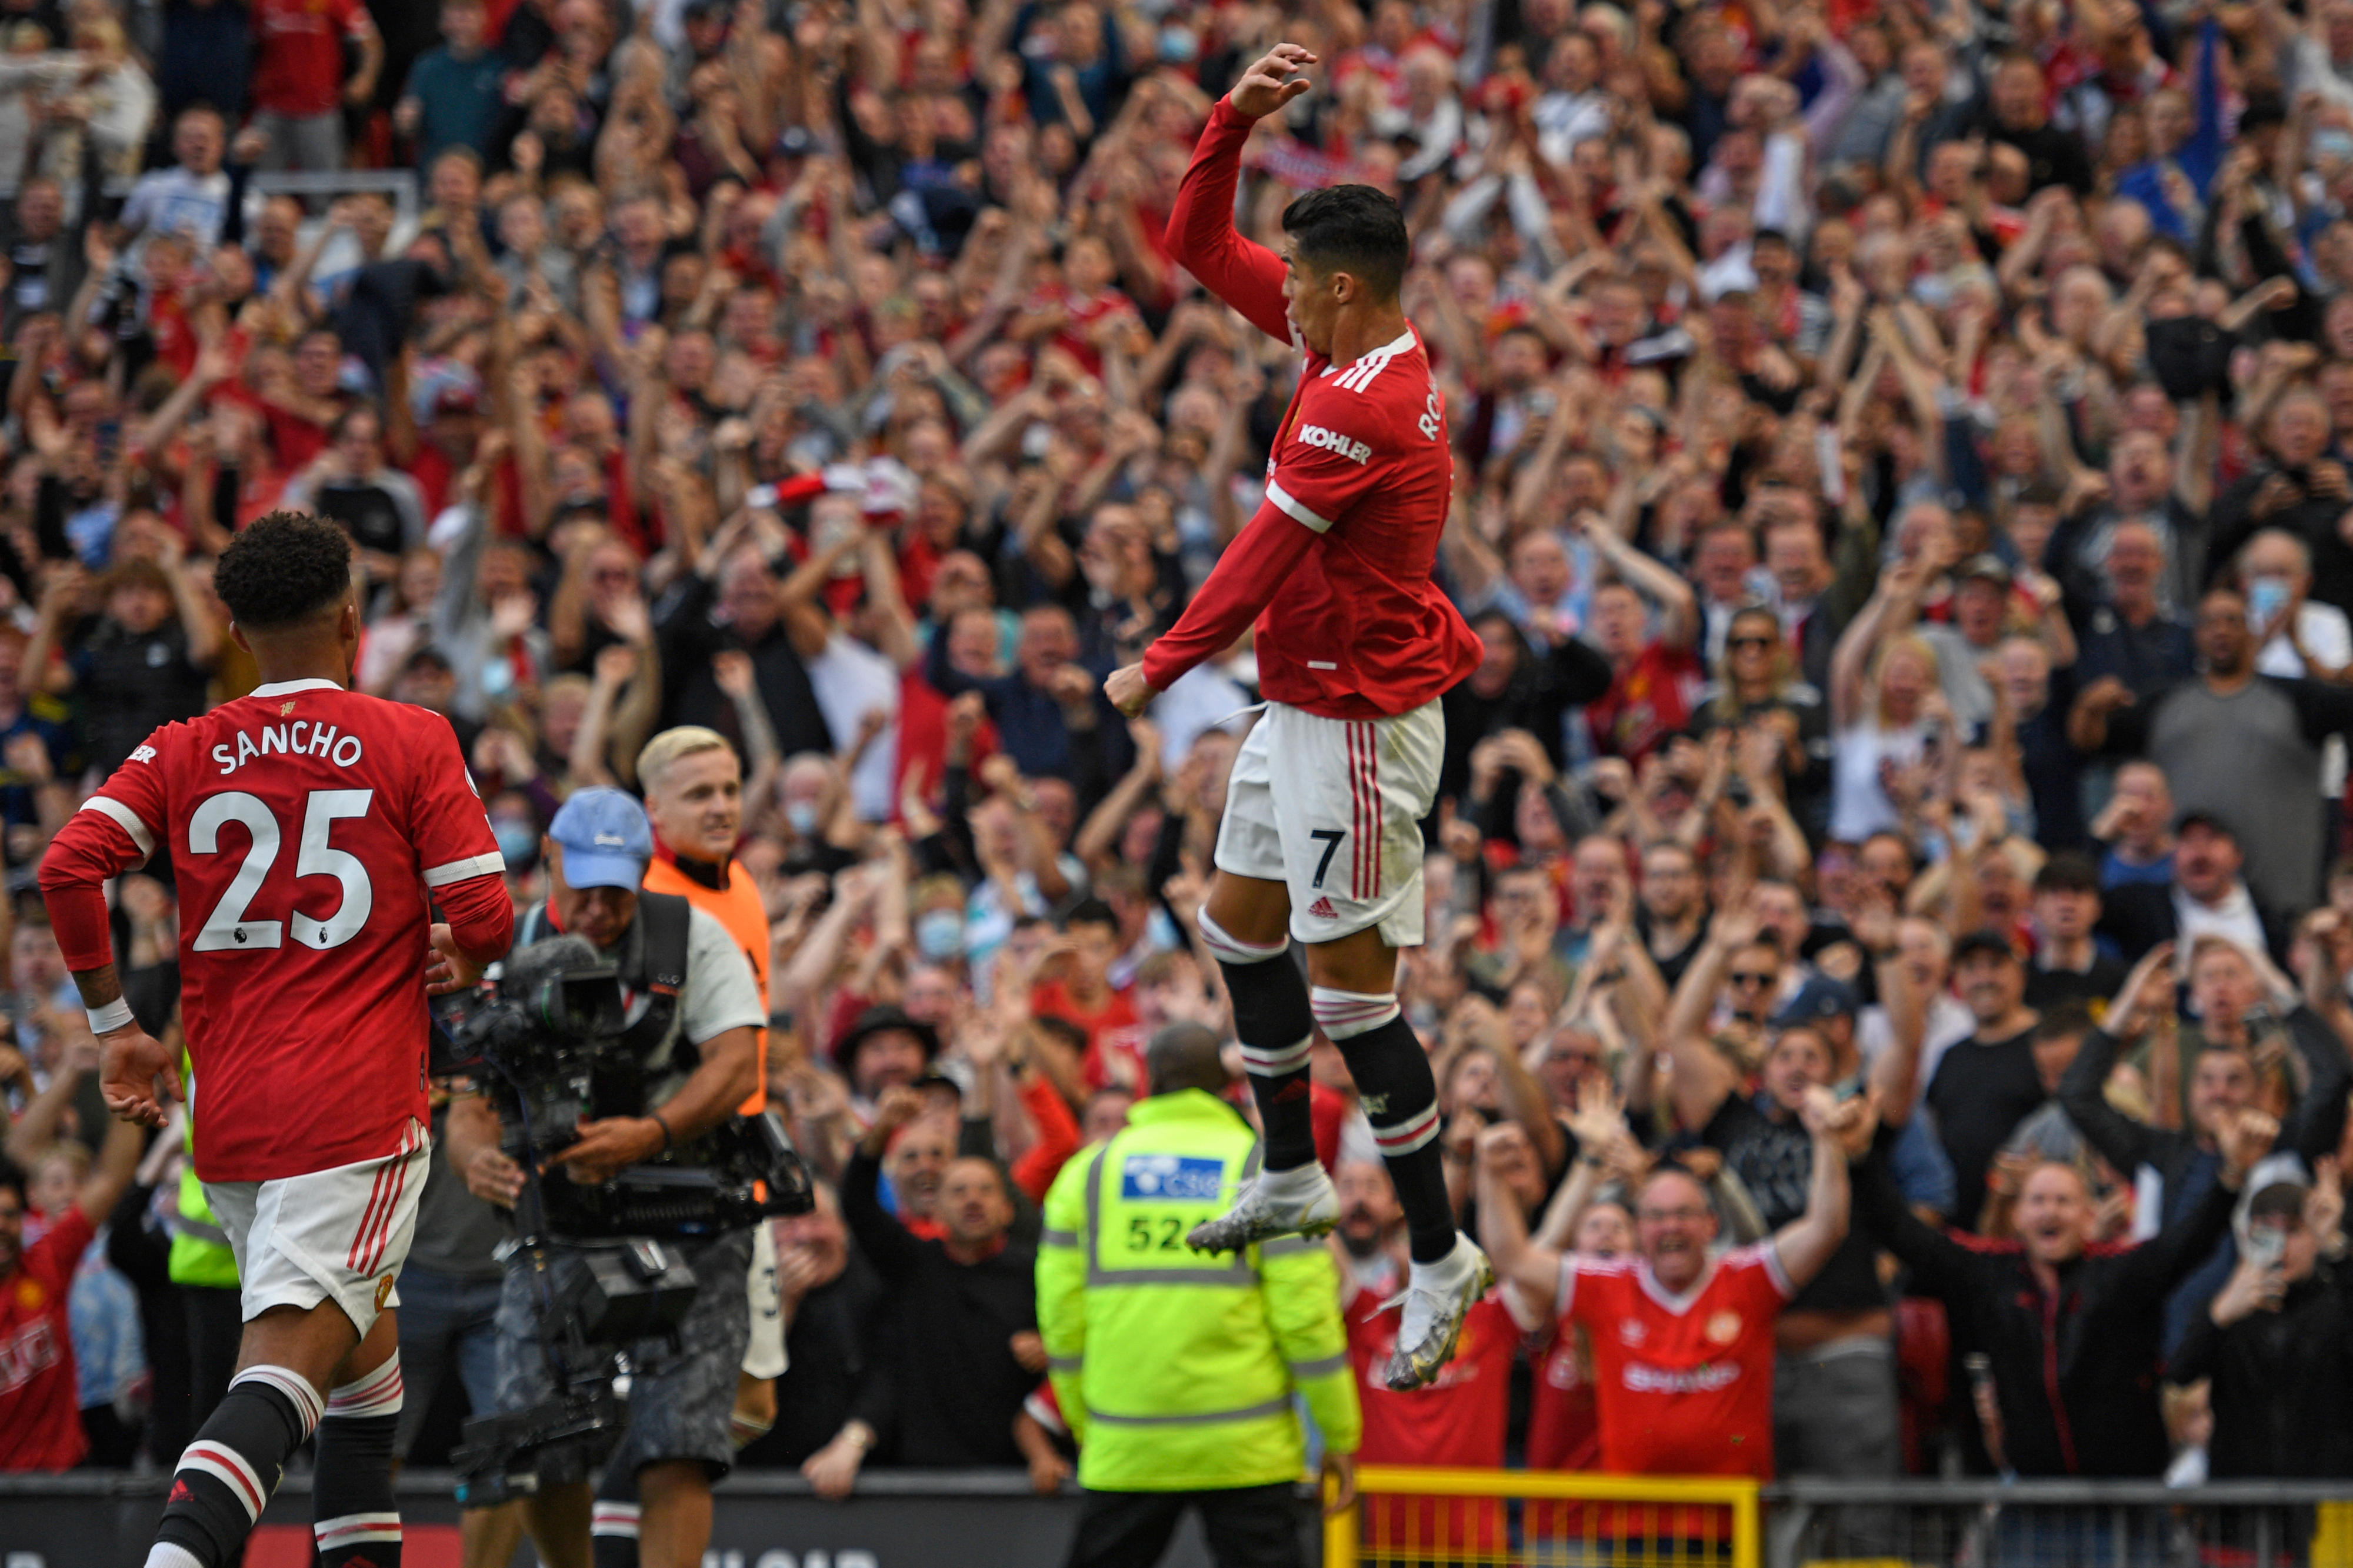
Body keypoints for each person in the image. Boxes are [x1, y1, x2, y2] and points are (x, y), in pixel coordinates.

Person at [1101, 43, 1489, 1390]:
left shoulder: (1356, 404)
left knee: (1350, 997)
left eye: (1301, 297)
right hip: (1305, 702)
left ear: (1339, 291)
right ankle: (1285, 1170)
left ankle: (1441, 1255)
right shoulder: (1346, 334)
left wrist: (1161, 661)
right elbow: (1191, 242)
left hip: (1366, 725)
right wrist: (1232, 120)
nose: (1288, 317)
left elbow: (1262, 555)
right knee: (1234, 923)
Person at [36, 512, 515, 1567]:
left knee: (365, 1385)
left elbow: (69, 868)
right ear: (352, 619)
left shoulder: (182, 747)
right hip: (355, 1114)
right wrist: (470, 962)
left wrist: (117, 1026)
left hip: (236, 1121)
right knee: (282, 1383)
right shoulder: (411, 736)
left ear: (236, 629)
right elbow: (487, 915)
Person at [445, 788, 762, 1568]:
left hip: (688, 1205)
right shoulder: (509, 941)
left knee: (675, 1442)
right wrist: (473, 1156)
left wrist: (649, 1133)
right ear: (549, 861)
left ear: (643, 873)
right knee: (532, 1432)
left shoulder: (696, 936)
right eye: (581, 885)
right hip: (560, 1217)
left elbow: (737, 1062)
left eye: (615, 890)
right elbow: (468, 1097)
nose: (596, 906)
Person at [1038, 1022, 1359, 1568]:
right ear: (1228, 1083)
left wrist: (1088, 1426)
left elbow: (1062, 1325)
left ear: (1149, 1079)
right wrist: (1339, 1432)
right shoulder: (1270, 1174)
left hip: (1128, 1446)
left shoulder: (1087, 1175)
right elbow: (1307, 1322)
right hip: (1246, 1451)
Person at [1851, 1103, 2280, 1476]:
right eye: (2037, 1200)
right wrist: (1858, 1158)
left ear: (2088, 1216)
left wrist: (2233, 1177)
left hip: (2126, 1503)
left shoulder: (2120, 1273)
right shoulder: (1990, 1274)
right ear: (2017, 1217)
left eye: (2063, 1201)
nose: (2049, 1211)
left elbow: (2190, 1240)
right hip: (2034, 1499)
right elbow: (1906, 1236)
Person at [1478, 1083, 1859, 1480]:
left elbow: (1827, 1228)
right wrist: (1489, 1172)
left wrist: (1826, 1139)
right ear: (1641, 1229)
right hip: (1634, 1524)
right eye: (1657, 1217)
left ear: (1712, 1225)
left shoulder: (1748, 1277)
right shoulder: (1608, 1284)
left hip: (1731, 1526)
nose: (1671, 1226)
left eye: (1684, 1214)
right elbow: (1514, 1258)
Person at [0, 1117, 145, 1469]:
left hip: (64, 1475)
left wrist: (130, 1095)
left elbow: (111, 1180)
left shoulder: (47, 1262)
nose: (1, 1226)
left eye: (9, 1215)